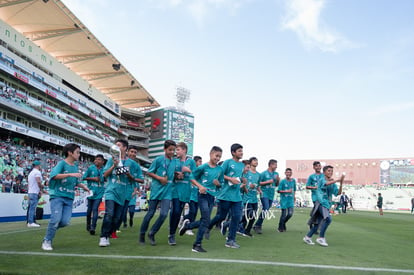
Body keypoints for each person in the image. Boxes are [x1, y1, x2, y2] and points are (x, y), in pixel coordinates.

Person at [41, 143, 90, 251]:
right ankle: (47, 240)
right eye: (77, 152)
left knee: (65, 222)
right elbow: (54, 176)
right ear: (70, 152)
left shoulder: (75, 166)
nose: (79, 154)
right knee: (55, 220)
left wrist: (85, 188)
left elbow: (76, 181)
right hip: (57, 196)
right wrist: (70, 174)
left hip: (69, 197)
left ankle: (51, 230)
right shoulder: (61, 164)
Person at [179, 146, 223, 253]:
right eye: (216, 156)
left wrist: (218, 184)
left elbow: (220, 185)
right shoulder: (203, 167)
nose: (218, 158)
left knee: (205, 220)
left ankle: (188, 226)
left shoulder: (220, 169)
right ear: (210, 154)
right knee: (206, 219)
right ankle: (196, 245)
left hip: (211, 197)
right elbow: (191, 177)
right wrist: (200, 186)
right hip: (202, 195)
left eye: (219, 157)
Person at [99, 140, 141, 247]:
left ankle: (109, 234)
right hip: (111, 191)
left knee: (117, 218)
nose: (116, 147)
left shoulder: (133, 164)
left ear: (125, 148)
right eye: (115, 145)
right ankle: (103, 236)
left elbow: (139, 179)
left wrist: (129, 175)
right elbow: (104, 175)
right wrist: (113, 166)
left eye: (119, 145)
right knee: (109, 214)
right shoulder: (110, 160)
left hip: (123, 194)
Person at [139, 140, 176, 246]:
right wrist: (159, 178)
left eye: (173, 150)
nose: (172, 152)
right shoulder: (158, 160)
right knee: (150, 213)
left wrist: (177, 175)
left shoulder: (174, 161)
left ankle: (152, 233)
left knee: (164, 214)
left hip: (167, 191)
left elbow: (172, 172)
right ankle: (142, 234)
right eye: (170, 150)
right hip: (156, 190)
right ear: (164, 149)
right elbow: (149, 172)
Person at [208, 143, 244, 248]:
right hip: (226, 195)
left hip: (236, 196)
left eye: (242, 151)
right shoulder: (227, 162)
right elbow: (219, 173)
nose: (241, 153)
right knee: (221, 216)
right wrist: (230, 179)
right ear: (233, 152)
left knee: (237, 216)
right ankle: (208, 226)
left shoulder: (241, 165)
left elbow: (238, 177)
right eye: (239, 151)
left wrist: (241, 180)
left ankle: (230, 240)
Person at [303, 165, 344, 247]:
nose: (331, 172)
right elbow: (325, 184)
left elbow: (338, 193)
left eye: (331, 171)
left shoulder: (333, 183)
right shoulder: (321, 180)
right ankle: (321, 238)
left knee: (318, 223)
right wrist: (337, 180)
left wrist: (341, 184)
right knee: (328, 219)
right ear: (324, 172)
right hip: (321, 203)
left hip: (326, 204)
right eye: (329, 171)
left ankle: (308, 237)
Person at [169, 142, 196, 245]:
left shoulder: (191, 162)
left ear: (184, 150)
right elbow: (169, 174)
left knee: (178, 212)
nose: (176, 152)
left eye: (178, 150)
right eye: (176, 150)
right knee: (175, 211)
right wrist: (176, 175)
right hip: (175, 189)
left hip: (186, 191)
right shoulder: (174, 161)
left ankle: (173, 232)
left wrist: (187, 170)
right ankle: (171, 235)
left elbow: (196, 175)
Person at [118, 146, 143, 230]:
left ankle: (119, 226)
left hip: (130, 194)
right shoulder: (120, 161)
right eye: (131, 151)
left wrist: (131, 177)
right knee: (118, 212)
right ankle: (117, 227)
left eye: (135, 152)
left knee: (126, 211)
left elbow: (141, 180)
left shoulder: (136, 166)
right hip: (118, 191)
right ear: (127, 152)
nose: (133, 154)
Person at [253, 159, 279, 234]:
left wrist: (277, 180)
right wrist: (267, 182)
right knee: (266, 207)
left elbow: (276, 184)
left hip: (271, 194)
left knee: (266, 210)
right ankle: (258, 225)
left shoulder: (276, 174)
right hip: (264, 193)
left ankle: (257, 224)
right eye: (275, 165)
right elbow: (259, 183)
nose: (276, 167)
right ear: (271, 165)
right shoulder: (263, 173)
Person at [83, 154, 105, 235]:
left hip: (99, 192)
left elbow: (105, 178)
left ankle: (93, 227)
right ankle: (88, 225)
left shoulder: (104, 169)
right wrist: (93, 179)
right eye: (96, 159)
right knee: (89, 210)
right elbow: (84, 177)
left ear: (102, 162)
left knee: (95, 209)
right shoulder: (90, 168)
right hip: (90, 192)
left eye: (99, 159)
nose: (96, 161)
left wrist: (102, 179)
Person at [181, 155, 202, 236]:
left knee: (195, 212)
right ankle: (188, 228)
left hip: (197, 195)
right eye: (199, 161)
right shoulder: (191, 171)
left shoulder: (199, 172)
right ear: (195, 162)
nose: (201, 163)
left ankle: (183, 219)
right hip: (191, 195)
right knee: (192, 211)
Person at [241, 157, 261, 236]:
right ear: (250, 162)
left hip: (254, 199)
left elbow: (258, 185)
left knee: (254, 216)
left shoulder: (258, 174)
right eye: (254, 160)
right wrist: (249, 187)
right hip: (246, 198)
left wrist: (259, 190)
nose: (256, 162)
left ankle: (247, 231)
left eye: (257, 160)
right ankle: (237, 227)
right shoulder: (246, 172)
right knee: (249, 215)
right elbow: (243, 184)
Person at [306, 161, 323, 232]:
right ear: (314, 167)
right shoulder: (311, 176)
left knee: (319, 212)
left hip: (323, 197)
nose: (318, 167)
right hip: (315, 196)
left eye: (319, 165)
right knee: (319, 211)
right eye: (316, 166)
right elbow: (307, 186)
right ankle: (315, 226)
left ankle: (311, 222)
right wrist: (314, 188)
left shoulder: (323, 175)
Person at [277, 168, 296, 232]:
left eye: (289, 172)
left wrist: (294, 196)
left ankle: (283, 223)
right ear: (285, 173)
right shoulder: (282, 181)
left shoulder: (293, 181)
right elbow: (278, 190)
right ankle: (280, 227)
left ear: (291, 173)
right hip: (284, 200)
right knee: (283, 214)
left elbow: (294, 189)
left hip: (290, 200)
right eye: (287, 172)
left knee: (290, 214)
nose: (288, 173)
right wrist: (287, 191)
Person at [27, 160, 43, 227]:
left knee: (31, 207)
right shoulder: (37, 172)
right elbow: (38, 181)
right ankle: (31, 222)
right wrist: (41, 188)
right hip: (34, 192)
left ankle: (31, 221)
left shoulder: (31, 173)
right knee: (32, 208)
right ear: (38, 165)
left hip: (30, 191)